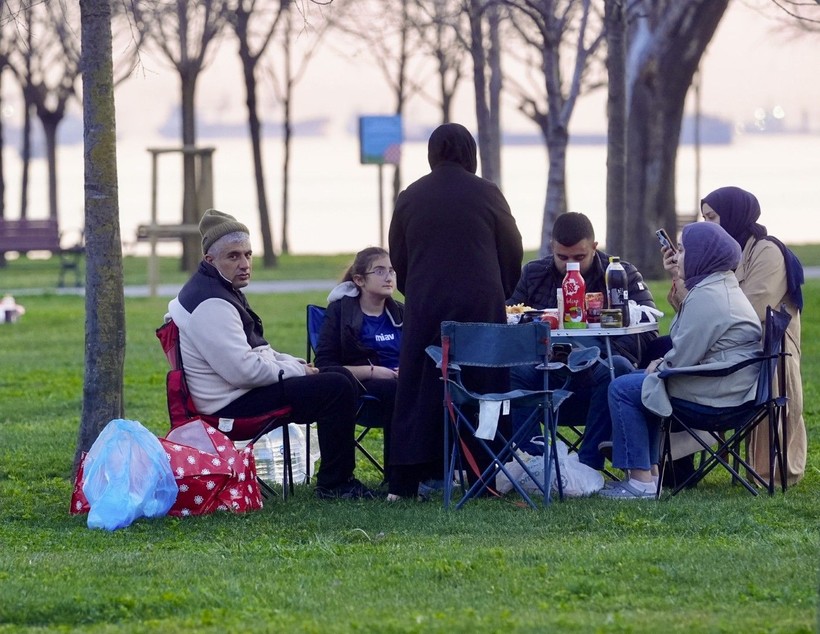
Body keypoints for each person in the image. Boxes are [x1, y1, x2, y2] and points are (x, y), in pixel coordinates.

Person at [166, 208, 376, 500]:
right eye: (233, 256)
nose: (244, 263)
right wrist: (299, 372)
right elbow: (244, 371)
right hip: (228, 407)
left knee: (336, 376)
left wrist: (296, 364)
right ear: (210, 260)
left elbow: (257, 350)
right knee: (337, 387)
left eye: (248, 254)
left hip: (236, 393)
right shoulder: (210, 304)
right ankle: (336, 484)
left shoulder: (218, 288)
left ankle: (337, 479)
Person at [387, 122, 523, 501]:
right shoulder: (488, 194)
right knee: (483, 387)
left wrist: (415, 291)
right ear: (471, 153)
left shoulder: (410, 197)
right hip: (481, 308)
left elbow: (399, 256)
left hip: (426, 308)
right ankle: (482, 476)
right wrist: (501, 290)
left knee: (419, 389)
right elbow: (512, 249)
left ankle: (407, 480)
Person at [602, 222, 762, 499]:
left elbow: (682, 356)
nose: (679, 256)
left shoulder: (708, 297)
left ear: (703, 255)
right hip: (730, 384)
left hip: (720, 394)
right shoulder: (720, 284)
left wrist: (659, 366)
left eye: (685, 250)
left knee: (624, 388)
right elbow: (689, 344)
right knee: (641, 381)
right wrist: (660, 366)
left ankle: (641, 482)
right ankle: (649, 476)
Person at [663, 186, 806, 486]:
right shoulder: (715, 257)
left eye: (713, 217)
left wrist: (697, 283)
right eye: (705, 218)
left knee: (669, 364)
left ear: (734, 215)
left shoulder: (766, 252)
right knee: (661, 349)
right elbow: (694, 314)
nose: (709, 225)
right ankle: (672, 462)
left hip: (763, 351)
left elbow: (746, 311)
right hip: (726, 345)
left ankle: (670, 461)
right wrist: (681, 274)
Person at [507, 212, 658, 470]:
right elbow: (509, 320)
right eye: (562, 257)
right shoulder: (534, 274)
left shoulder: (620, 273)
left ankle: (588, 466)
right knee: (511, 372)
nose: (570, 265)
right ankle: (534, 463)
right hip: (546, 373)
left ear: (594, 248)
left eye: (579, 257)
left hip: (598, 374)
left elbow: (647, 329)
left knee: (618, 367)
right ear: (552, 248)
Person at [314, 246, 403, 470]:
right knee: (397, 392)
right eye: (380, 271)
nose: (388, 277)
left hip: (401, 381)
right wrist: (374, 372)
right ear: (359, 280)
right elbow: (324, 366)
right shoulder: (340, 313)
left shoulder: (402, 313)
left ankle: (436, 474)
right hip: (359, 386)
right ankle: (399, 476)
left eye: (391, 271)